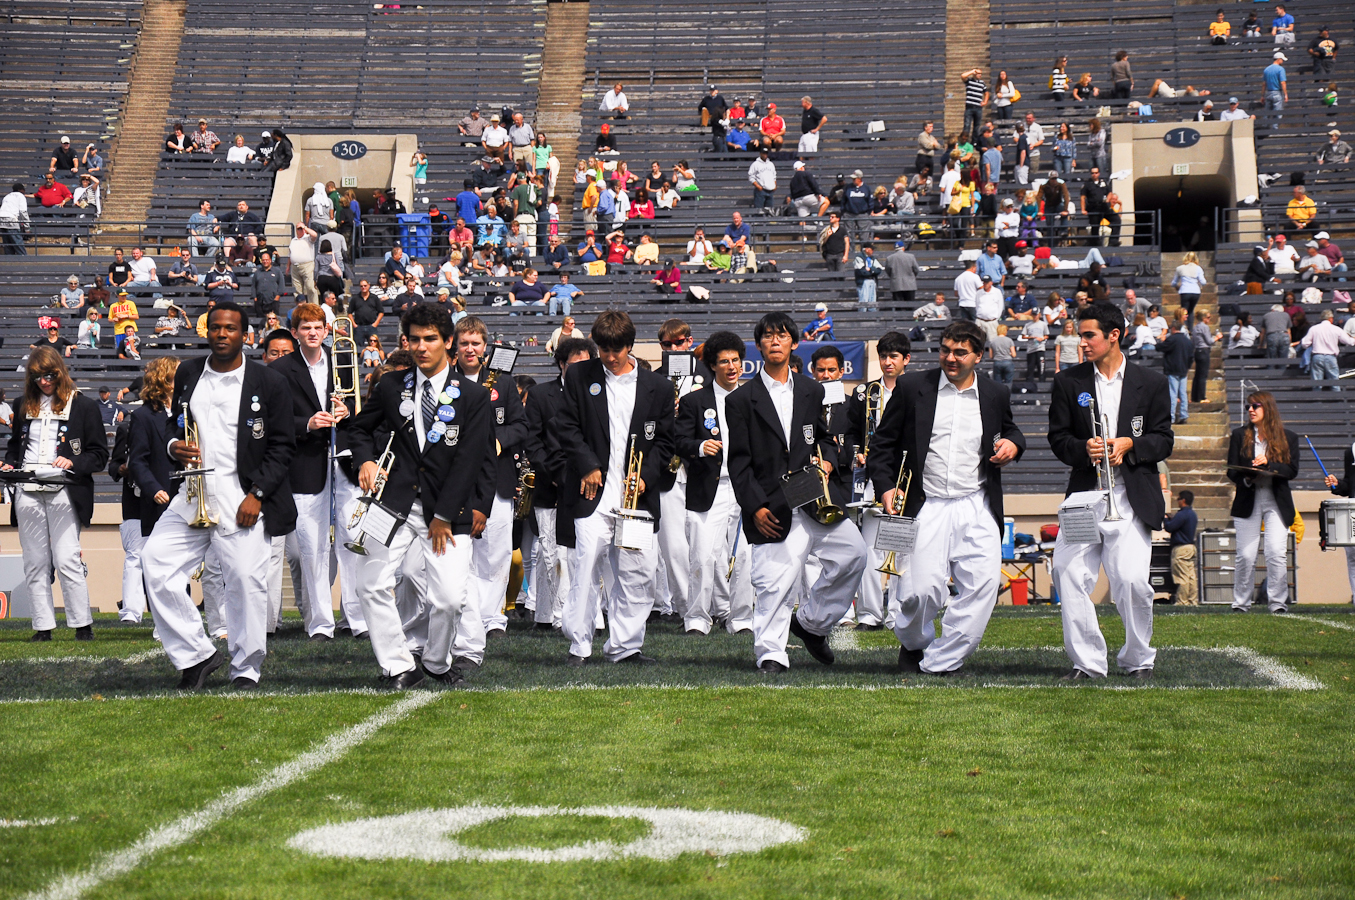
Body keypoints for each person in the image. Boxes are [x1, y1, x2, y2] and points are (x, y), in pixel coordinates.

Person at [139, 302, 297, 689]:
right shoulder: (190, 372)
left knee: (245, 581)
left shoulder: (269, 382)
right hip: (193, 492)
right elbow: (177, 426)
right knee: (154, 561)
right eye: (216, 328)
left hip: (242, 495)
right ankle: (196, 655)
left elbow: (282, 447)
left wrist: (257, 494)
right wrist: (173, 445)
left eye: (230, 329)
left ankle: (246, 669)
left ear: (245, 335)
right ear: (206, 331)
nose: (222, 334)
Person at [346, 303, 492, 688]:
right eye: (414, 339)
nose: (421, 347)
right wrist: (365, 461)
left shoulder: (474, 397)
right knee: (370, 584)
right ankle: (398, 666)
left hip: (447, 511)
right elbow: (359, 430)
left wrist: (443, 516)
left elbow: (469, 461)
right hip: (392, 505)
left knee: (447, 600)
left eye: (430, 339)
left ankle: (437, 662)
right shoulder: (391, 386)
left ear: (448, 342)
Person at [867, 321, 1023, 673]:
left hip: (977, 503)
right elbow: (882, 445)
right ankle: (915, 643)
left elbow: (1010, 429)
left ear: (979, 356)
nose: (950, 358)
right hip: (927, 504)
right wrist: (886, 487)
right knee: (918, 592)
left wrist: (1014, 444)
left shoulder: (995, 392)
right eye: (944, 350)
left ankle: (941, 660)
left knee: (982, 587)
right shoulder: (911, 387)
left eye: (959, 352)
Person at [725, 312, 867, 674]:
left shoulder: (811, 389)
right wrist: (754, 507)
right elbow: (739, 463)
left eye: (782, 335)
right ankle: (771, 653)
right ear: (758, 346)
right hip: (772, 504)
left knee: (853, 555)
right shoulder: (741, 399)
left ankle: (810, 624)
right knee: (775, 581)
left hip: (817, 499)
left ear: (794, 342)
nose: (776, 341)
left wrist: (831, 461)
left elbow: (824, 437)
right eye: (768, 336)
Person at [1049, 302, 1174, 680]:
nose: (1081, 343)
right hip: (1086, 497)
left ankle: (1138, 660)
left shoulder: (1151, 382)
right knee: (1067, 573)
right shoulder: (1067, 381)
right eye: (1080, 335)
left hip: (1130, 497)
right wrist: (1083, 449)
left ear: (1114, 335)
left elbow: (1163, 440)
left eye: (1088, 335)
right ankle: (1087, 663)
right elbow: (1058, 439)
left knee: (1134, 582)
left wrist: (1129, 445)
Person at [554, 310, 674, 666]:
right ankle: (579, 645)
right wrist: (588, 464)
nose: (609, 357)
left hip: (637, 495)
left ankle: (625, 647)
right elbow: (566, 426)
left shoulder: (659, 387)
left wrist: (646, 477)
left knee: (637, 572)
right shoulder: (579, 375)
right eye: (603, 349)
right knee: (585, 566)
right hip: (593, 494)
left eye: (616, 350)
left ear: (630, 346)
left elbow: (666, 443)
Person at [2, 347, 109, 642]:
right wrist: (10, 463)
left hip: (64, 488)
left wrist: (73, 461)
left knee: (67, 558)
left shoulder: (83, 406)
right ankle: (42, 626)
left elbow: (100, 455)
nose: (44, 382)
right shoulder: (22, 404)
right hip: (27, 488)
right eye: (37, 377)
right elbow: (15, 446)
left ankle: (82, 624)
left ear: (60, 373)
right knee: (34, 561)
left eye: (49, 375)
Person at [450, 316, 529, 660]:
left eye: (476, 343)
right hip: (456, 482)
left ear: (485, 347)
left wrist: (498, 442)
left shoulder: (505, 384)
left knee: (496, 553)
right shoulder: (445, 382)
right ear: (455, 346)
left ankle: (493, 616)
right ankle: (466, 619)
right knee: (462, 555)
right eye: (464, 343)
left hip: (497, 479)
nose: (470, 349)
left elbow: (521, 426)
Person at [269, 303, 348, 641]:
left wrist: (349, 410)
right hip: (305, 463)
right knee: (311, 547)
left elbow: (363, 411)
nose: (312, 333)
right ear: (296, 332)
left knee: (349, 543)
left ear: (326, 331)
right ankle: (319, 624)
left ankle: (353, 620)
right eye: (305, 328)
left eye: (318, 327)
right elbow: (275, 420)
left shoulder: (343, 361)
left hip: (345, 461)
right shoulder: (281, 369)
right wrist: (307, 423)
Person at [676, 331, 752, 635]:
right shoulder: (695, 401)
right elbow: (678, 440)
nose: (732, 366)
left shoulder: (755, 398)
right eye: (724, 361)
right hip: (710, 487)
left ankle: (742, 619)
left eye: (736, 360)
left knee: (745, 557)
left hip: (746, 488)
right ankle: (696, 619)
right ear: (713, 365)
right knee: (703, 556)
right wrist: (699, 447)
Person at [522, 337, 595, 630]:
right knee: (548, 551)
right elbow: (532, 439)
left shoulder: (595, 394)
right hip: (549, 484)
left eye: (587, 364)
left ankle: (576, 612)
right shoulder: (541, 395)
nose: (581, 370)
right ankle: (545, 613)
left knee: (579, 552)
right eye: (575, 364)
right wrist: (553, 473)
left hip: (585, 484)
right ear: (562, 364)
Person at [119, 357, 180, 626]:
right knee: (163, 565)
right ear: (163, 380)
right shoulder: (143, 416)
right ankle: (164, 622)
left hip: (191, 495)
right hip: (161, 498)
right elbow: (139, 461)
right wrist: (153, 488)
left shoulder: (188, 411)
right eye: (177, 376)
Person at [1227, 392, 1297, 613]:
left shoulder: (1289, 437)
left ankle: (1277, 603)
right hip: (1249, 497)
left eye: (1255, 406)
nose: (1250, 410)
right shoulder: (1239, 435)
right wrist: (1248, 476)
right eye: (1249, 406)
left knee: (1276, 552)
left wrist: (1269, 464)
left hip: (1276, 500)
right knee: (1246, 555)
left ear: (1267, 408)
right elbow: (1231, 470)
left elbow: (1292, 470)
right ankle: (1241, 604)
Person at [1299, 309, 1354, 386]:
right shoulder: (1336, 329)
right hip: (1330, 357)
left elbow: (1304, 344)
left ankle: (1316, 395)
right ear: (1331, 318)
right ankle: (1336, 396)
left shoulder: (1314, 329)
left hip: (1317, 356)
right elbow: (1349, 342)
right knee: (1334, 381)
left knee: (1317, 382)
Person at [1161, 490, 1198, 605]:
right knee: (1191, 576)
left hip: (1181, 549)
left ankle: (1182, 601)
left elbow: (1170, 527)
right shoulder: (1192, 514)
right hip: (1191, 547)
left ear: (1183, 500)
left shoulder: (1182, 514)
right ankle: (1193, 601)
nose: (1177, 501)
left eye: (1178, 499)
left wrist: (1166, 519)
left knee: (1182, 576)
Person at [1172, 251, 1207, 323]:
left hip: (1185, 291)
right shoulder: (1198, 268)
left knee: (1184, 311)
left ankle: (1183, 327)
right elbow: (1203, 282)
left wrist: (1177, 286)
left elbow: (1174, 283)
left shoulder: (1180, 268)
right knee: (1191, 311)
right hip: (1196, 292)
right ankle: (1190, 329)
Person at [884, 240, 920, 311]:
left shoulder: (890, 258)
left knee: (898, 306)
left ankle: (899, 320)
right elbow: (916, 269)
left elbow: (888, 271)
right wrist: (911, 277)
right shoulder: (911, 257)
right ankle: (910, 320)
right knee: (910, 306)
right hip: (910, 284)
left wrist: (894, 277)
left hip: (896, 284)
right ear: (903, 248)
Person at [853, 243, 882, 311]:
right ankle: (862, 317)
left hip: (872, 280)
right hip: (863, 281)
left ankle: (873, 317)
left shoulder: (873, 258)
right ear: (867, 249)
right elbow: (862, 272)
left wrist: (871, 269)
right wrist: (872, 272)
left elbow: (879, 269)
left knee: (872, 300)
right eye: (872, 249)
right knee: (863, 301)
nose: (873, 251)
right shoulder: (859, 258)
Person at [1264, 51, 1288, 130]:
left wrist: (1262, 95)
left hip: (1268, 92)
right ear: (1279, 59)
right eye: (1282, 60)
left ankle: (1265, 127)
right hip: (1277, 92)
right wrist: (1285, 94)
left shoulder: (1267, 69)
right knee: (1277, 113)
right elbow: (1283, 82)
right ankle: (1275, 128)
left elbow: (1264, 84)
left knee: (1267, 112)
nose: (1283, 61)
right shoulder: (1280, 69)